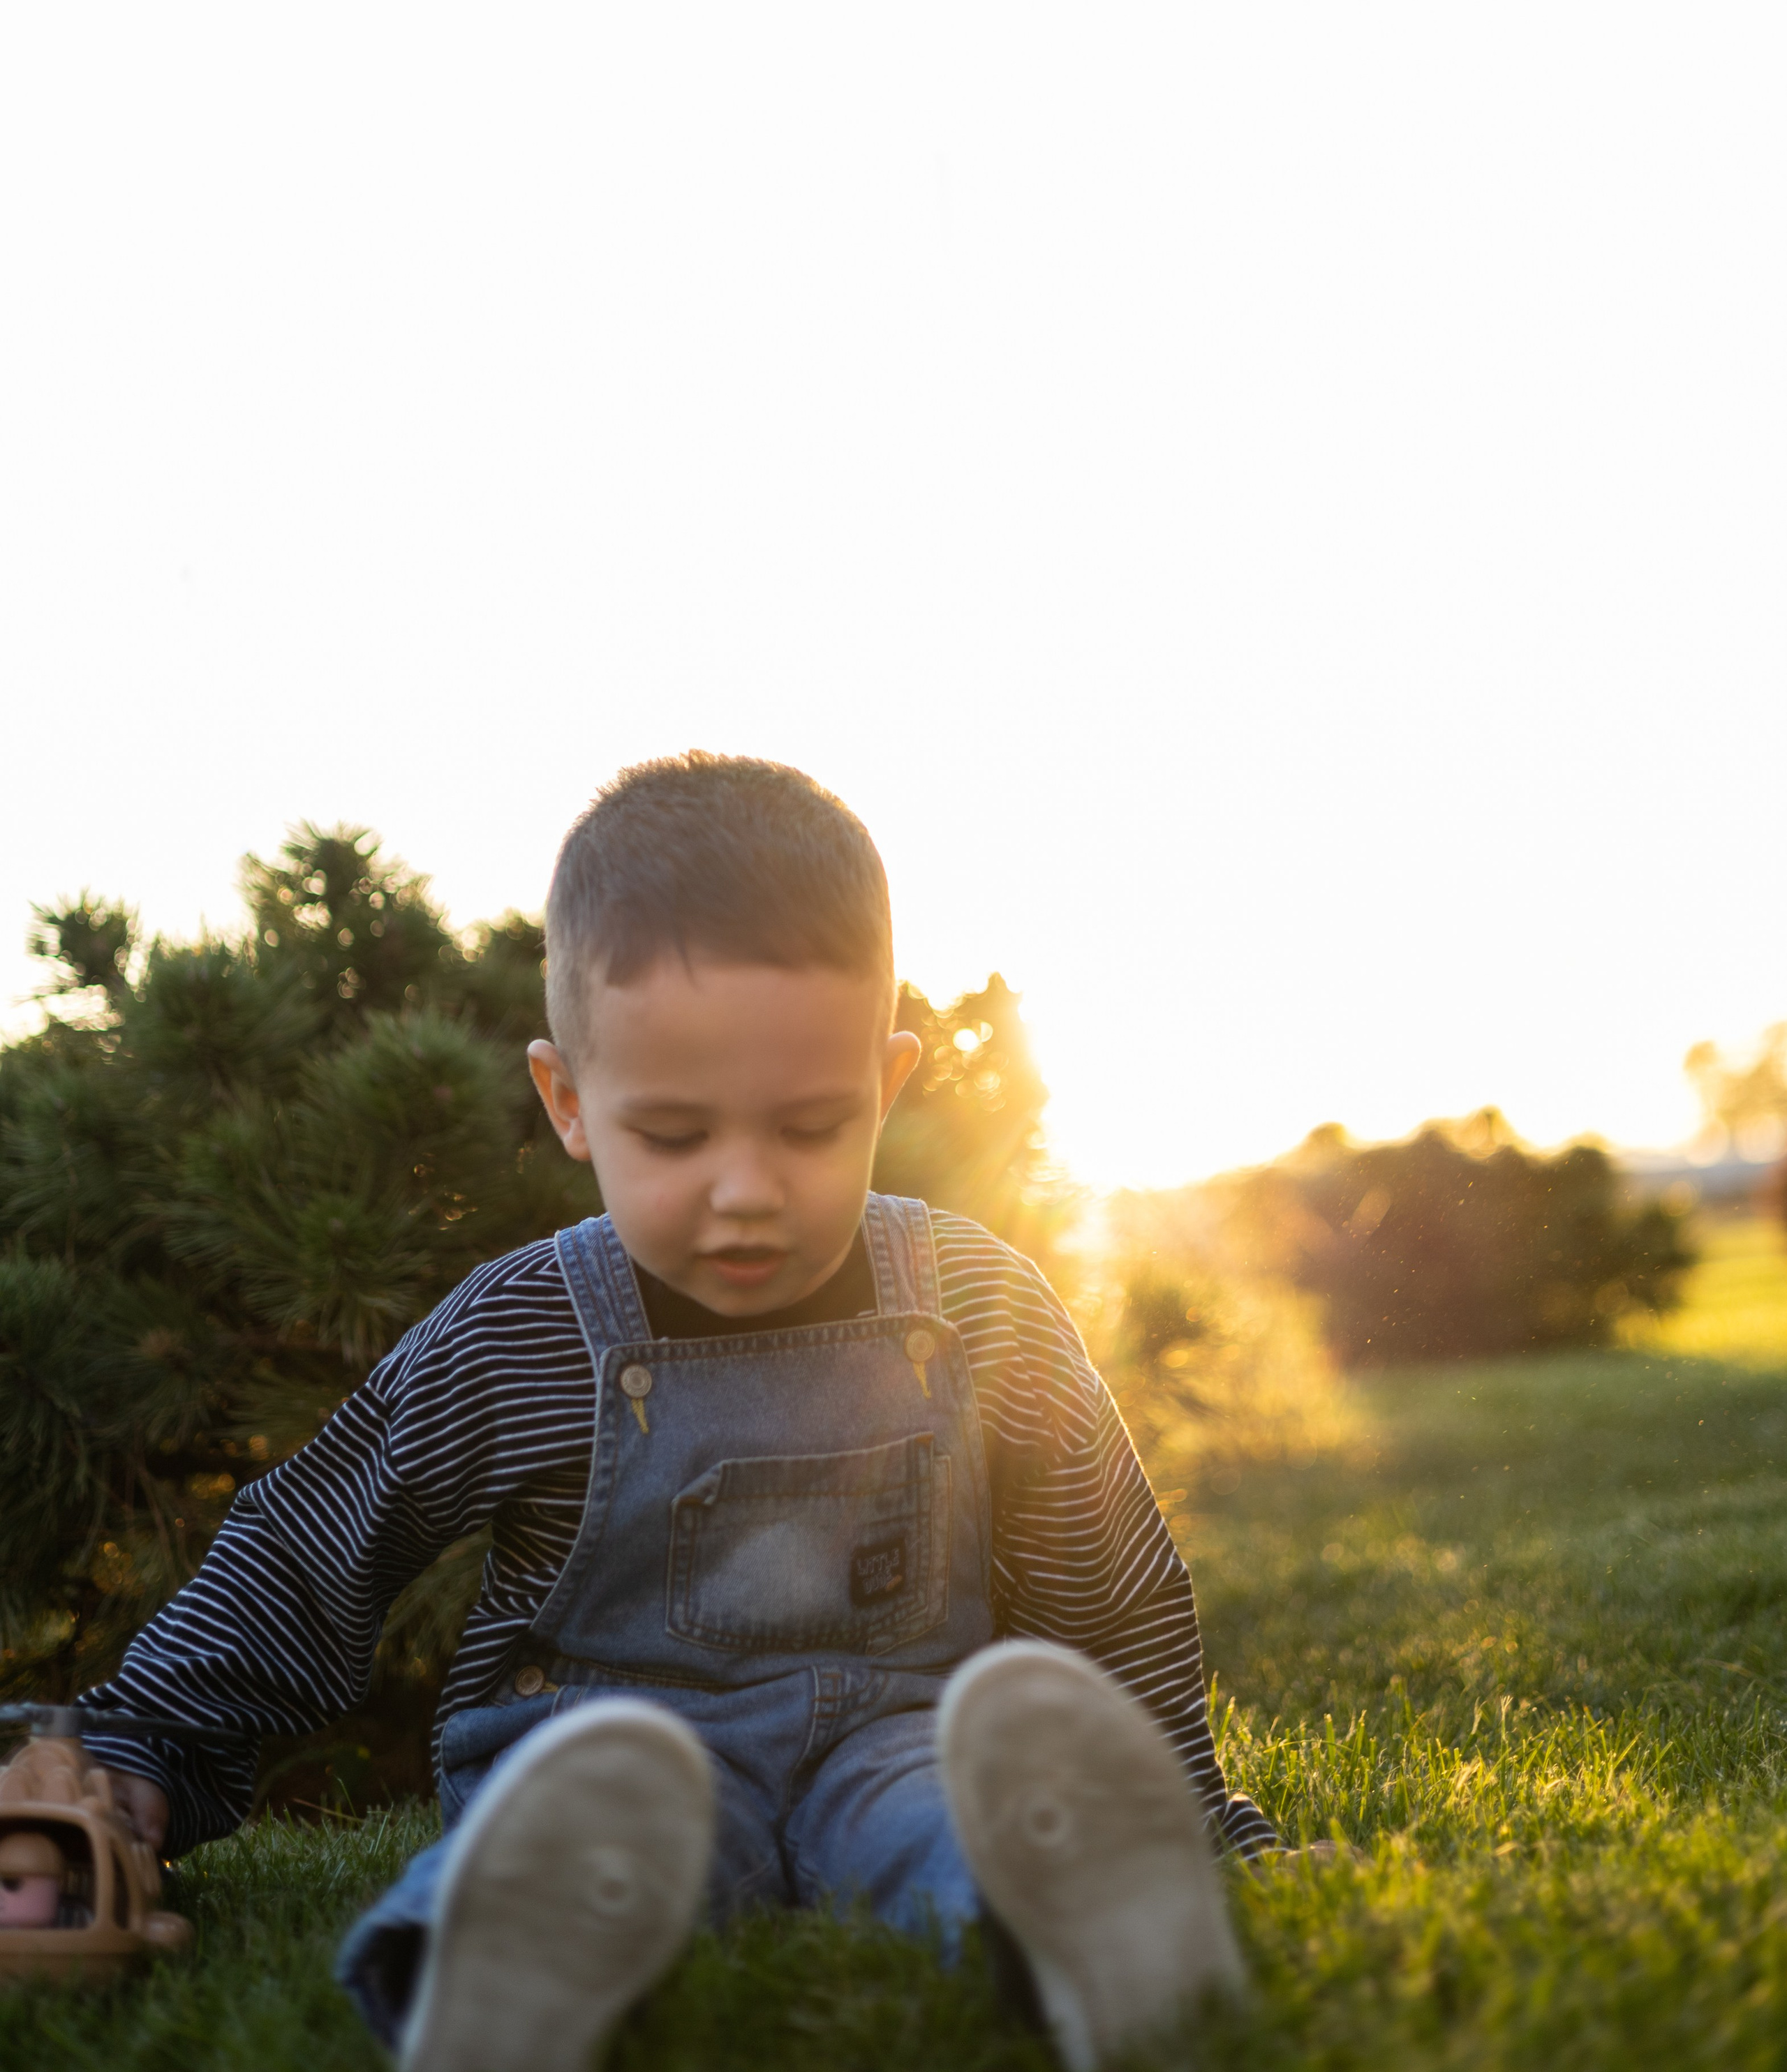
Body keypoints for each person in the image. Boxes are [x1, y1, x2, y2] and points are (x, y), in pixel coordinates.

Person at [79, 754, 1277, 2072]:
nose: (748, 1189)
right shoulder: (518, 1330)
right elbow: (315, 1551)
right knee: (598, 1825)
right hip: (605, 1755)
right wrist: (143, 1750)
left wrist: (1204, 1818)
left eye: (812, 1127)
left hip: (900, 1741)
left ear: (886, 1085)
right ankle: (509, 1964)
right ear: (569, 1103)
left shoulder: (977, 1301)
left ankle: (1089, 1930)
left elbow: (1104, 1579)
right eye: (677, 1136)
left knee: (970, 1819)